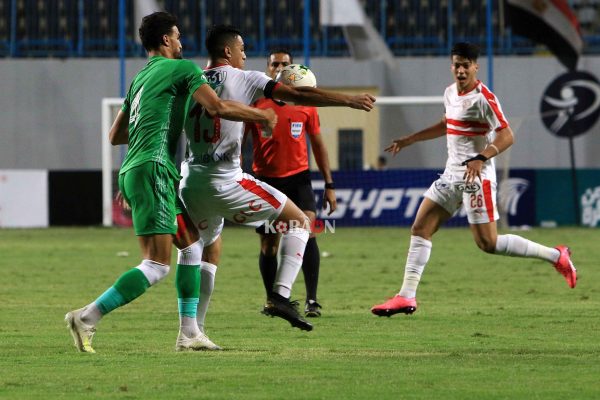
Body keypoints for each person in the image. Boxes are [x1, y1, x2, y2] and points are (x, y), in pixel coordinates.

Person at [65, 11, 277, 353]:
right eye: (177, 37)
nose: (181, 43)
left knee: (191, 247)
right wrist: (263, 115)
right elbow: (218, 107)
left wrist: (144, 154)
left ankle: (189, 333)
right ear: (166, 40)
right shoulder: (183, 68)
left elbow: (116, 134)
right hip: (154, 169)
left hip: (140, 168)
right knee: (156, 264)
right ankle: (87, 317)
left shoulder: (139, 79)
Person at [177, 25, 375, 334]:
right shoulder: (246, 78)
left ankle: (191, 331)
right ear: (228, 51)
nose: (245, 54)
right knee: (300, 222)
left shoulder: (192, 82)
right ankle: (280, 296)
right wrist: (347, 101)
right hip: (224, 179)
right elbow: (298, 94)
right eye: (242, 48)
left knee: (203, 251)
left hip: (189, 180)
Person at [371, 42, 577, 317]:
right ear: (451, 66)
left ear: (475, 67)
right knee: (420, 228)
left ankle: (557, 256)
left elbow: (507, 135)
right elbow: (447, 124)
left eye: (465, 65)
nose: (460, 70)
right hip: (451, 174)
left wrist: (482, 156)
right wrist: (410, 139)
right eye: (456, 64)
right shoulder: (449, 93)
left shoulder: (484, 98)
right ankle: (406, 297)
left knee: (487, 244)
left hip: (476, 177)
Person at [244, 49, 336, 318]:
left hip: (298, 178)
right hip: (266, 179)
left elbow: (319, 146)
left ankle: (311, 300)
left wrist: (329, 184)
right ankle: (272, 299)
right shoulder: (256, 103)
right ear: (269, 68)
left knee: (308, 232)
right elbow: (240, 142)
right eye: (275, 64)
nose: (280, 67)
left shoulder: (306, 103)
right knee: (269, 244)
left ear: (293, 68)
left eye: (286, 63)